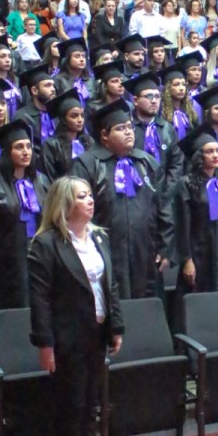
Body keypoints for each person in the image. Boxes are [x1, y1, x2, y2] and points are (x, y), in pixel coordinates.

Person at [28, 177, 124, 436]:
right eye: (82, 197)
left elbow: (110, 286)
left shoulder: (99, 237)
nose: (90, 201)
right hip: (66, 337)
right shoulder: (46, 244)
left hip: (96, 333)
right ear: (64, 204)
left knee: (92, 405)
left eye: (89, 195)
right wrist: (45, 343)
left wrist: (116, 326)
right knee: (71, 407)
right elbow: (39, 299)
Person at [71, 99, 175, 300]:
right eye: (121, 128)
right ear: (104, 135)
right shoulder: (87, 164)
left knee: (147, 303)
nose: (129, 132)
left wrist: (165, 247)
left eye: (129, 127)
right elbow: (77, 212)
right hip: (106, 251)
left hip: (145, 250)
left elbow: (164, 206)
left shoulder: (146, 162)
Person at [0, 121, 49, 312]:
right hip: (5, 265)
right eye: (19, 147)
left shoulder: (41, 181)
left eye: (29, 146)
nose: (26, 152)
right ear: (7, 152)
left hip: (38, 260)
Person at [174, 124, 218, 310]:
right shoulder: (186, 184)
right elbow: (182, 225)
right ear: (199, 156)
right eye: (209, 151)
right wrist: (187, 259)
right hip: (198, 253)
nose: (215, 155)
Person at [41, 88, 94, 181]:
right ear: (63, 119)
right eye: (74, 116)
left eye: (82, 115)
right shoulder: (51, 145)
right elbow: (49, 177)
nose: (80, 120)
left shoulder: (88, 141)